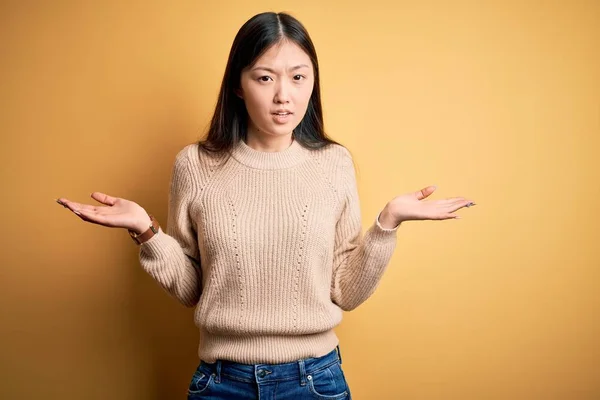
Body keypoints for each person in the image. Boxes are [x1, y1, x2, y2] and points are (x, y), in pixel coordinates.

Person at [56, 11, 475, 400]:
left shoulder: (333, 163)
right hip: (221, 383)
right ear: (238, 84)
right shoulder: (195, 165)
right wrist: (145, 230)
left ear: (313, 82)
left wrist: (388, 223)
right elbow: (193, 289)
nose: (283, 96)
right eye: (264, 78)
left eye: (298, 77)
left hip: (315, 382)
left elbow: (345, 292)